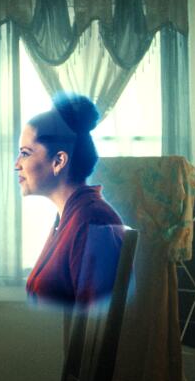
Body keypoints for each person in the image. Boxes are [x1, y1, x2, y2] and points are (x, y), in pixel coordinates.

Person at [18, 92, 124, 305]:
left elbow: (94, 325)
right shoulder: (69, 216)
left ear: (59, 161)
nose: (17, 164)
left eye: (25, 153)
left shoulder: (92, 220)